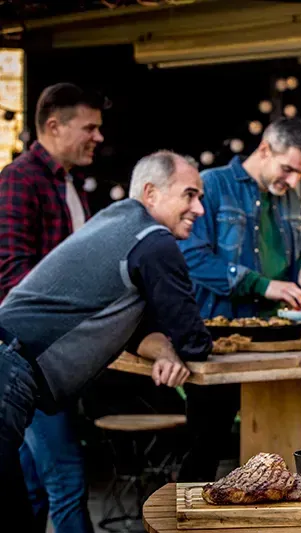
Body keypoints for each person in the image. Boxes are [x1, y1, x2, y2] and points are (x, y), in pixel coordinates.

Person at [0, 150, 213, 529]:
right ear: (151, 193)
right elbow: (194, 340)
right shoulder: (154, 240)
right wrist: (176, 346)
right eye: (189, 195)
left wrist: (165, 348)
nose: (199, 208)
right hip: (10, 373)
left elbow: (138, 329)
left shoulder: (117, 224)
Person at [177, 116, 301, 482]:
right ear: (264, 150)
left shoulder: (289, 195)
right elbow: (192, 257)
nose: (294, 181)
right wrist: (261, 285)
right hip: (220, 341)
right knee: (206, 450)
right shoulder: (212, 185)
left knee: (282, 451)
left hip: (280, 341)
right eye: (288, 169)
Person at [0, 82, 104, 532]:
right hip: (29, 355)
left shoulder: (72, 183)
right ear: (55, 125)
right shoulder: (19, 180)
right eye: (90, 127)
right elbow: (11, 276)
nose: (98, 137)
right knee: (66, 480)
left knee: (34, 485)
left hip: (58, 357)